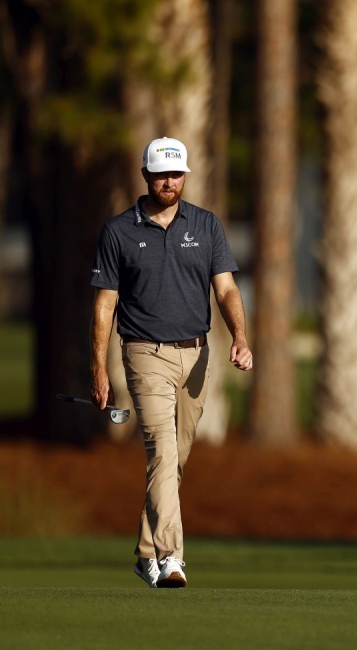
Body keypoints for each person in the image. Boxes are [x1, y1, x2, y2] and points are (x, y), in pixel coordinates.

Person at [89, 137, 253, 588]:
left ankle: (145, 553)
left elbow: (226, 289)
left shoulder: (206, 225)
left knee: (173, 462)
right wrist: (99, 368)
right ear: (146, 175)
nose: (170, 181)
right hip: (144, 354)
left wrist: (239, 337)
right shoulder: (119, 231)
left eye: (177, 173)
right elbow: (105, 304)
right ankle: (170, 557)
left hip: (197, 355)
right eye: (162, 174)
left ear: (185, 175)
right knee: (161, 450)